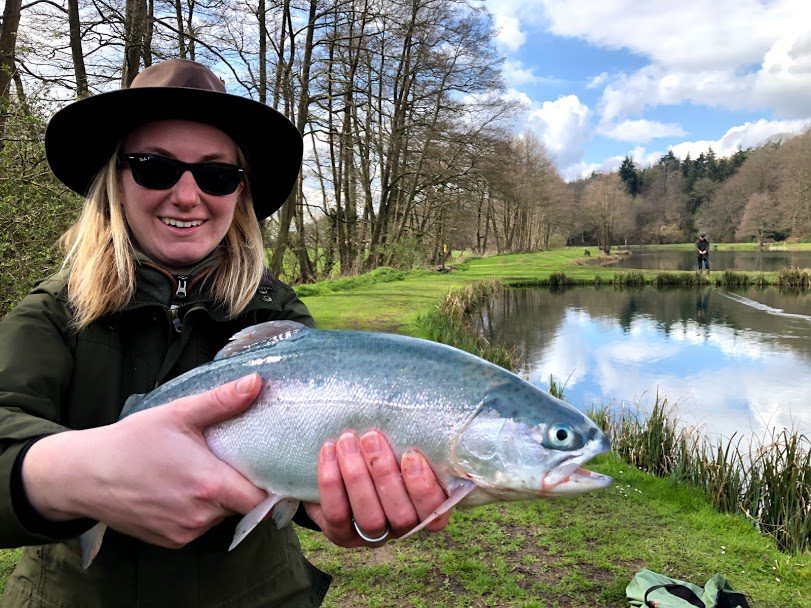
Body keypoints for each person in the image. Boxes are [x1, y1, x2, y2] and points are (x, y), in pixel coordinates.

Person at [0, 59, 450, 607]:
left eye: (216, 174)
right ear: (115, 181)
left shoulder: (276, 318)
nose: (187, 196)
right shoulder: (51, 314)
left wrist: (345, 501)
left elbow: (305, 470)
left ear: (239, 191)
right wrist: (72, 472)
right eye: (154, 168)